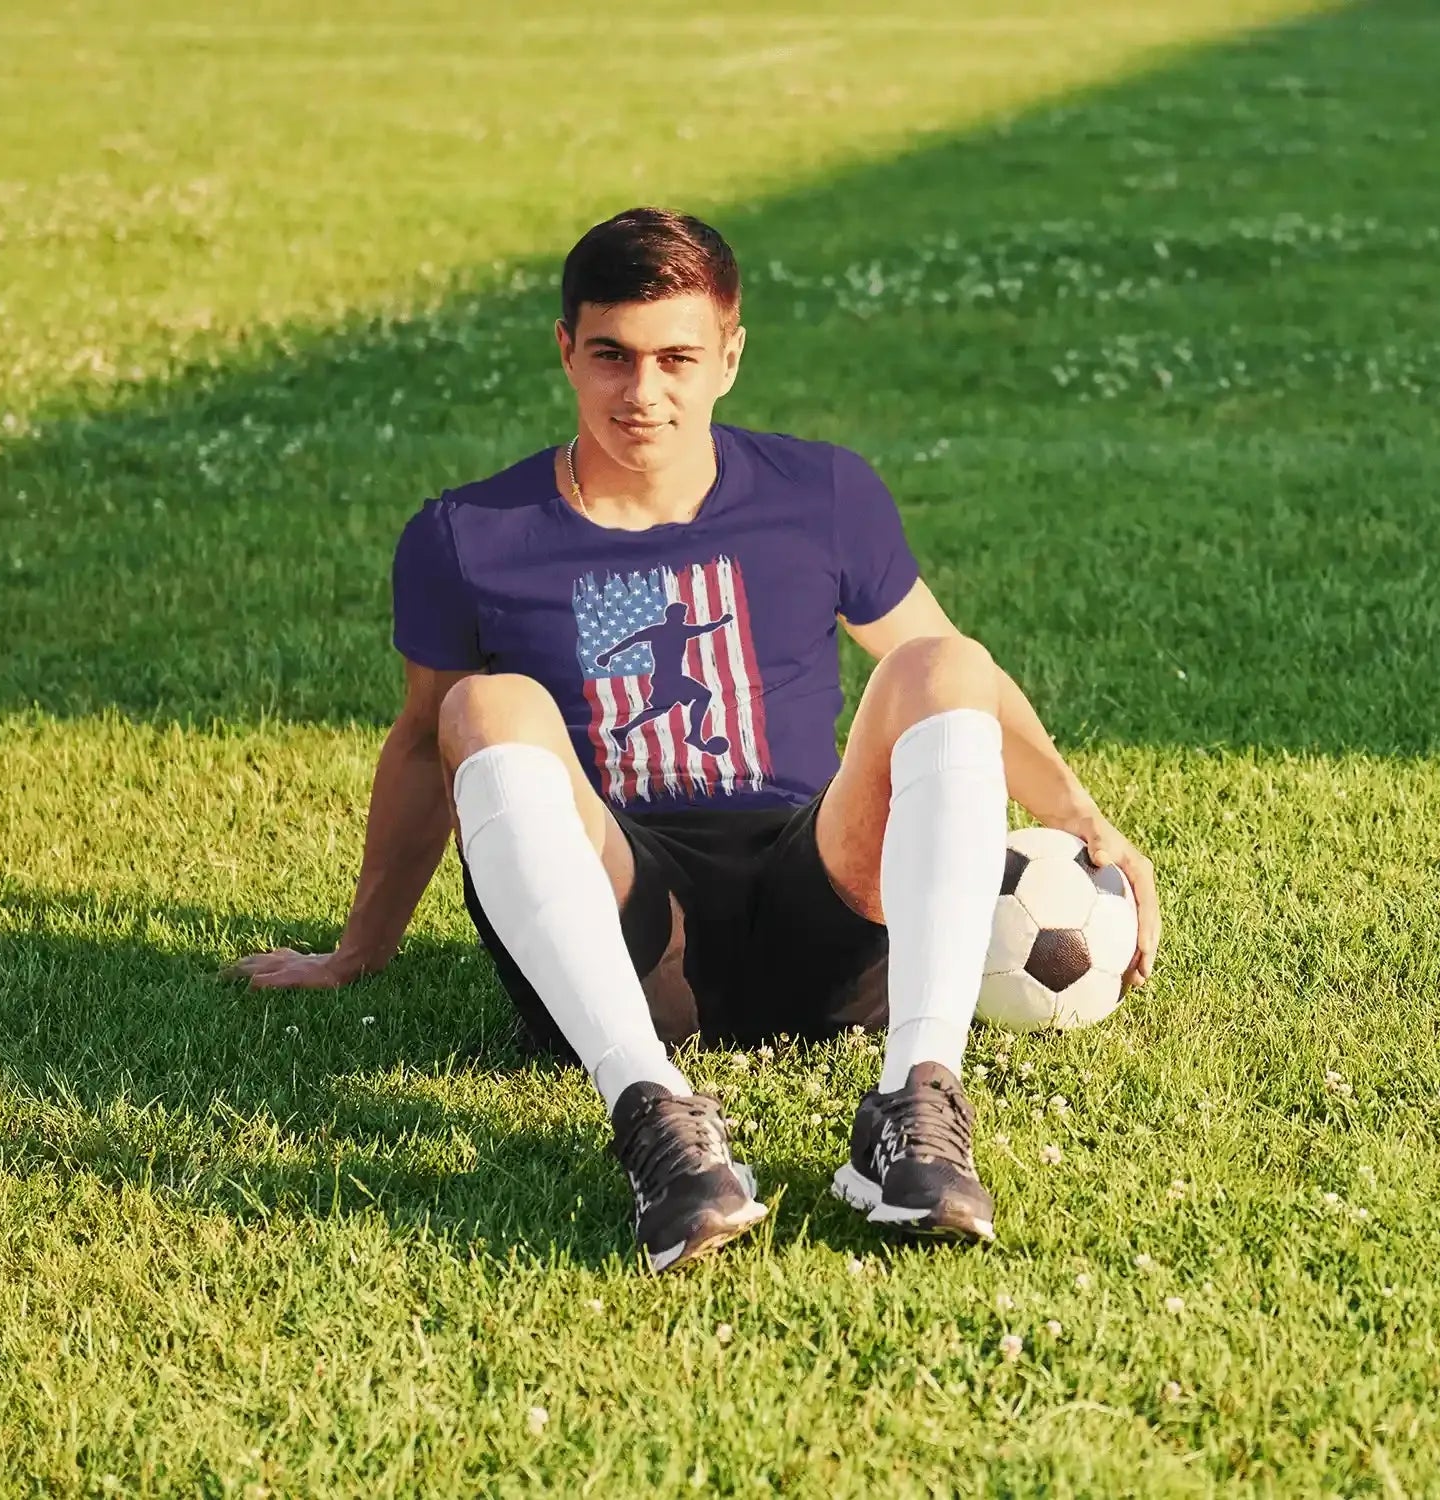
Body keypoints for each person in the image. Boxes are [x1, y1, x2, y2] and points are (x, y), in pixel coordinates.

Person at [226, 207, 1161, 1272]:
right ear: (566, 351)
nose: (644, 391)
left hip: (816, 914)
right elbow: (416, 751)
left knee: (944, 663)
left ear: (729, 357)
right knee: (480, 708)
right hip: (622, 927)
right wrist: (359, 950)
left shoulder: (821, 492)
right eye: (612, 356)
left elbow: (956, 691)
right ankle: (653, 1119)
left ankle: (917, 1105)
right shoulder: (468, 536)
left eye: (676, 358)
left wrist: (1082, 817)